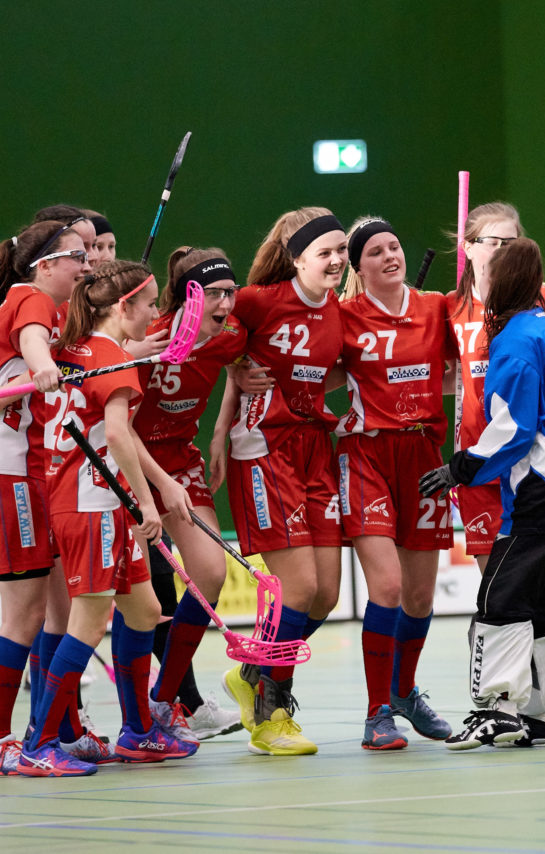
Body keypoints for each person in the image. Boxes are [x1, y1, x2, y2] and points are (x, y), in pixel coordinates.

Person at [419, 238, 545, 749]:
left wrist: (460, 467)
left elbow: (512, 430)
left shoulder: (513, 340)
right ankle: (539, 710)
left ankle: (496, 709)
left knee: (499, 598)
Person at [19, 259, 197, 776]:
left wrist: (151, 489)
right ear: (124, 307)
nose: (156, 314)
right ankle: (40, 741)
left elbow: (110, 432)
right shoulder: (114, 358)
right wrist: (146, 503)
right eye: (149, 304)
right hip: (92, 504)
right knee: (88, 624)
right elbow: (117, 435)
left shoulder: (74, 349)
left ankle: (139, 732)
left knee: (142, 612)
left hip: (91, 500)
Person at [0, 219, 90, 775]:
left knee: (46, 607)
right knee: (24, 614)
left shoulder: (43, 305)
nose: (86, 266)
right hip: (4, 474)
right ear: (45, 264)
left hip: (30, 474)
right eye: (77, 257)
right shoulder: (31, 300)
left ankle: (45, 736)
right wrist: (43, 368)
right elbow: (34, 345)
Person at [212, 208, 349, 756]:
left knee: (326, 596)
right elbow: (216, 347)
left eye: (342, 250)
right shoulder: (256, 300)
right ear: (297, 259)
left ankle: (249, 670)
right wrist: (221, 428)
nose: (337, 259)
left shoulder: (340, 311)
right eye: (326, 252)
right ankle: (271, 714)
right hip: (265, 451)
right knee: (297, 589)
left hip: (316, 449)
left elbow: (337, 371)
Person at [338, 216, 457, 750]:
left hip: (425, 458)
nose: (390, 255)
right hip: (367, 453)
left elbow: (467, 363)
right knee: (385, 588)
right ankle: (376, 711)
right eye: (376, 252)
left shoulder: (437, 307)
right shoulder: (341, 316)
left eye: (395, 245)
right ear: (357, 268)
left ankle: (404, 692)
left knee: (419, 595)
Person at [133, 247, 247, 741]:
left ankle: (166, 700)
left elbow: (239, 366)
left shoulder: (229, 336)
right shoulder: (147, 340)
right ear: (189, 297)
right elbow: (119, 429)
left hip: (182, 461)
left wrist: (220, 432)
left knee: (210, 573)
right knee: (132, 597)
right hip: (131, 470)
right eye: (216, 293)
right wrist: (160, 483)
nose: (227, 303)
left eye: (231, 292)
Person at [446, 202, 545, 572]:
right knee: (498, 583)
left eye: (510, 243)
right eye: (492, 242)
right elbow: (444, 376)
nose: (502, 252)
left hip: (537, 459)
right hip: (481, 460)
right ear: (468, 247)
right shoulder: (448, 307)